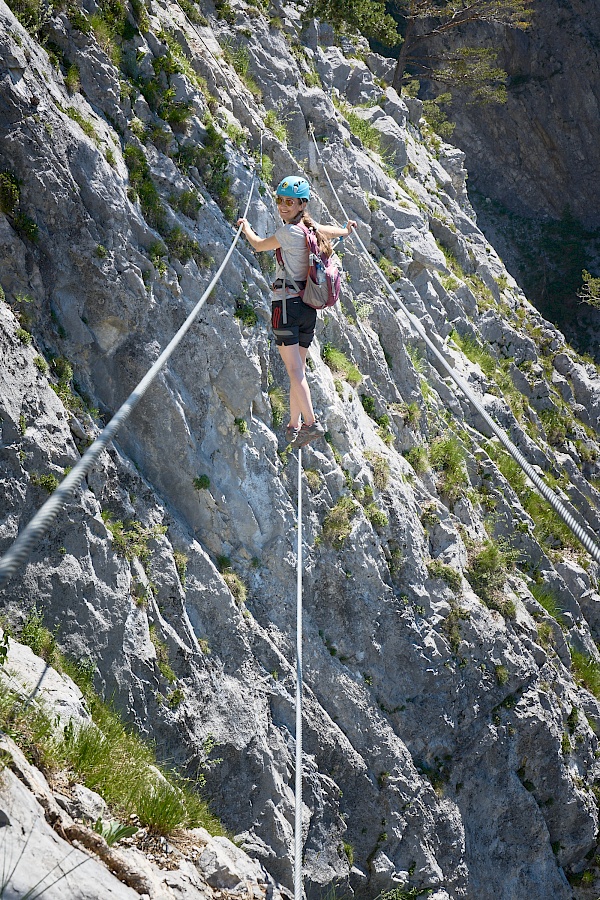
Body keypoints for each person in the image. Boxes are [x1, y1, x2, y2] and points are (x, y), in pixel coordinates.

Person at [237, 175, 356, 449]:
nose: (282, 206)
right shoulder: (309, 228)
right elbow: (326, 229)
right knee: (297, 371)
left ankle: (312, 424)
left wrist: (245, 227)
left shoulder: (288, 233)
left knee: (295, 372)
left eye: (289, 202)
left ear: (302, 204)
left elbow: (258, 245)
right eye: (280, 200)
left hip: (286, 307)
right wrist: (345, 231)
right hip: (307, 309)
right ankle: (294, 424)